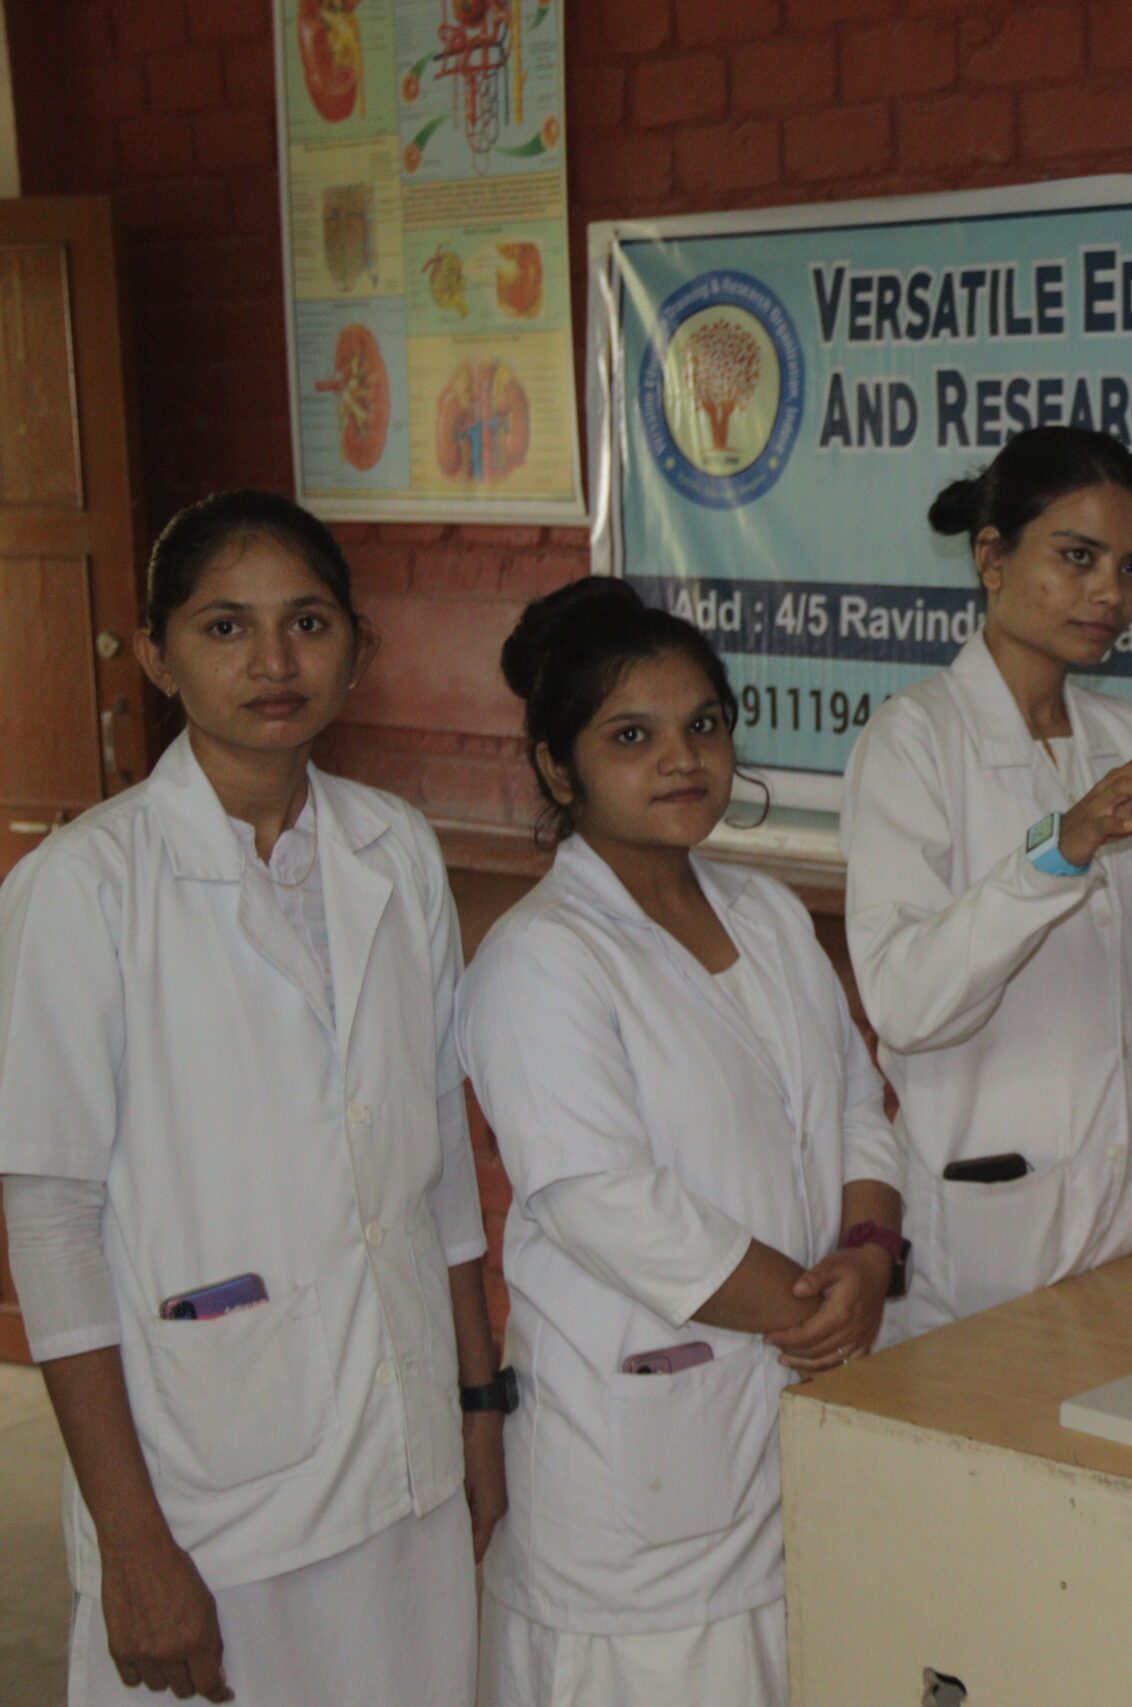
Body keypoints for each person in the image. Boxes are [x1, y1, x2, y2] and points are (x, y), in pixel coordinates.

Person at [0, 490, 502, 1706]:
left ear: (357, 648)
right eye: (225, 627)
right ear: (156, 654)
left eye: (307, 623)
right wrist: (131, 1543)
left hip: (402, 1456)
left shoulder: (393, 848)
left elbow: (436, 1151)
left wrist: (477, 1408)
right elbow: (53, 1227)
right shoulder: (84, 887)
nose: (274, 662)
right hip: (207, 1488)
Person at [463, 579, 900, 1707]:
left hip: (790, 1418)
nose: (681, 758)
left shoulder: (767, 914)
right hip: (640, 1471)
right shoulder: (540, 958)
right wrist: (814, 1307)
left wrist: (867, 1256)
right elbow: (607, 1202)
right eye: (631, 736)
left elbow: (859, 1104)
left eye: (703, 724)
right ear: (559, 769)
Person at [839, 428, 1132, 1339]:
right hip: (995, 1242)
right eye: (1078, 557)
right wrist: (1055, 856)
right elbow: (906, 1003)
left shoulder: (1117, 733)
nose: (1111, 593)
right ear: (992, 557)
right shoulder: (913, 741)